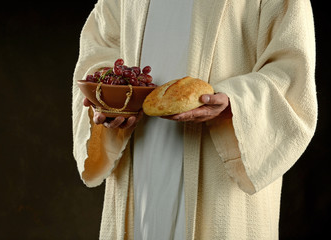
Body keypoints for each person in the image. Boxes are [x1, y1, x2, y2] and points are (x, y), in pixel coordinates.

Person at [72, 0, 317, 239]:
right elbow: (100, 47)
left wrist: (235, 101)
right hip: (141, 153)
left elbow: (291, 70)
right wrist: (108, 96)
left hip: (218, 159)